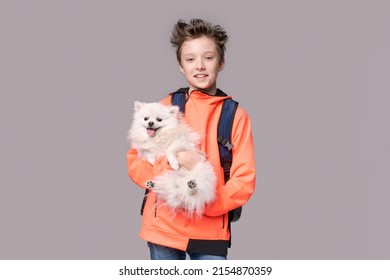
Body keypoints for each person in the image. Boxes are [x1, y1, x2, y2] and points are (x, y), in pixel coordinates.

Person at [127, 18, 256, 260]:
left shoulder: (236, 116)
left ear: (222, 62)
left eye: (208, 57)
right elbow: (136, 163)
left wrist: (206, 204)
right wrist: (177, 160)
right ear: (180, 66)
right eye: (190, 59)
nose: (199, 66)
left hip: (210, 231)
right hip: (164, 226)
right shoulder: (164, 108)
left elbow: (244, 179)